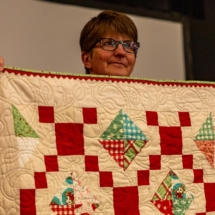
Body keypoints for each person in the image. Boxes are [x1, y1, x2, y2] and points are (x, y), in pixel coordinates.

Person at [0, 10, 140, 76]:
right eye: (109, 43)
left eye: (129, 46)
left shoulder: (153, 105)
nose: (121, 52)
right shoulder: (56, 99)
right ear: (86, 59)